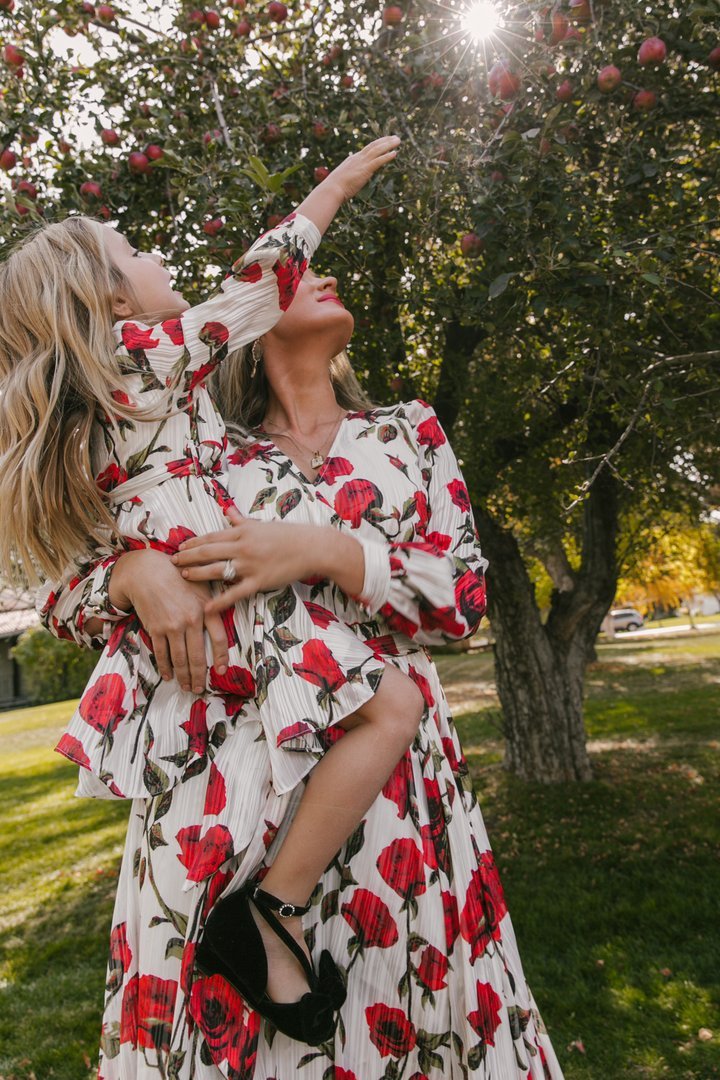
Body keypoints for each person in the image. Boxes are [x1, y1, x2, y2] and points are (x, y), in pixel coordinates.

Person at [35, 275, 566, 1074]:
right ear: (245, 317)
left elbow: (461, 603)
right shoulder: (201, 445)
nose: (320, 271)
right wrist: (130, 575)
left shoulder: (406, 432)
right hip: (225, 789)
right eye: (289, 267)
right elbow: (62, 588)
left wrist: (327, 551)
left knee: (406, 1019)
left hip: (394, 786)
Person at [0, 138, 431, 1045]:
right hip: (239, 606)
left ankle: (265, 913)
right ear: (115, 302)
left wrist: (124, 564)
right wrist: (338, 182)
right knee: (393, 708)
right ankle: (269, 907)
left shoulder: (99, 409)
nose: (162, 263)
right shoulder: (147, 361)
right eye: (138, 255)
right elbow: (257, 285)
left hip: (212, 627)